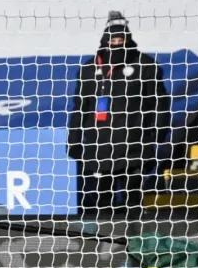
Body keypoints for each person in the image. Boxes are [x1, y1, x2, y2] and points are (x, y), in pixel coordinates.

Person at [67, 12, 171, 215]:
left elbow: (160, 103)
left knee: (134, 198)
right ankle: (105, 242)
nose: (116, 44)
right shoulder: (88, 70)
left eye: (120, 40)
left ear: (128, 40)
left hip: (135, 145)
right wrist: (74, 139)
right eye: (112, 41)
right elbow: (80, 107)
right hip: (100, 147)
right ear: (105, 41)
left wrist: (158, 132)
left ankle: (135, 238)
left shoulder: (146, 66)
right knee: (101, 200)